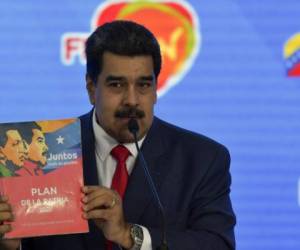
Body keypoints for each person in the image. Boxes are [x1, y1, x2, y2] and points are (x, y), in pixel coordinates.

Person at [0, 20, 236, 249]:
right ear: (92, 89)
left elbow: (217, 243)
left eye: (143, 85)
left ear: (155, 89)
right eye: (117, 85)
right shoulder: (44, 150)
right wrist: (10, 245)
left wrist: (129, 235)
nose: (132, 100)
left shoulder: (203, 159)